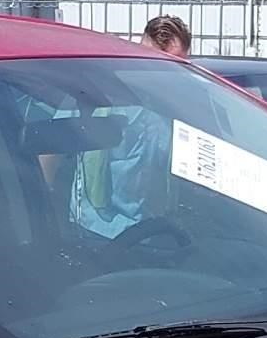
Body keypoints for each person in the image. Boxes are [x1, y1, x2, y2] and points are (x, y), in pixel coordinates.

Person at [71, 15, 193, 238]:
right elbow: (51, 148)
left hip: (153, 231)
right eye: (169, 63)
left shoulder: (182, 105)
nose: (176, 73)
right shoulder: (103, 91)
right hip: (96, 231)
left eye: (182, 65)